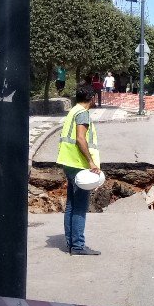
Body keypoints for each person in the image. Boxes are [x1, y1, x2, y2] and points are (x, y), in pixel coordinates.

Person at [56, 84, 102, 255]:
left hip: (68, 163)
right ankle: (77, 245)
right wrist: (91, 162)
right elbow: (80, 139)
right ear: (92, 98)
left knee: (71, 205)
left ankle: (70, 242)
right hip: (79, 165)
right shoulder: (82, 114)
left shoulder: (74, 110)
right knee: (80, 207)